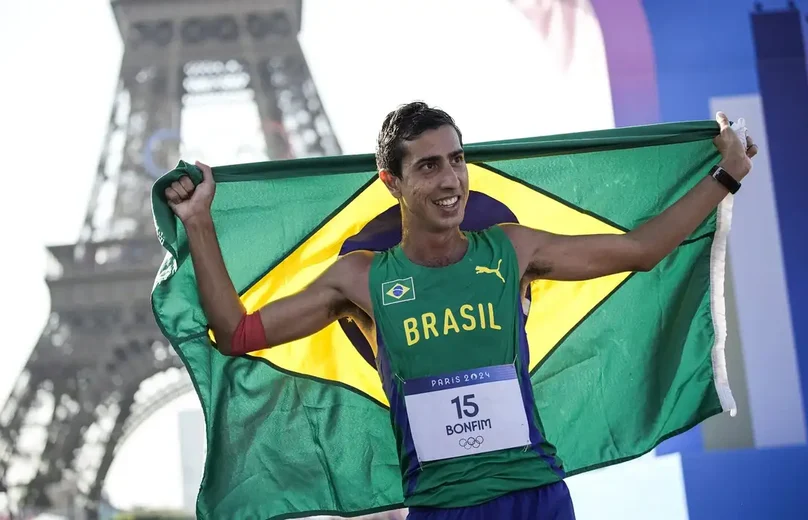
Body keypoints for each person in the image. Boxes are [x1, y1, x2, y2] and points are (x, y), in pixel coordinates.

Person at [163, 102, 757, 519]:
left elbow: (643, 250)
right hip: (443, 509)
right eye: (428, 166)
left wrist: (726, 175)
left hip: (536, 496)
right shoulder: (362, 280)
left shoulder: (513, 248)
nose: (451, 179)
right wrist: (199, 224)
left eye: (456, 159)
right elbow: (236, 332)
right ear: (391, 181)